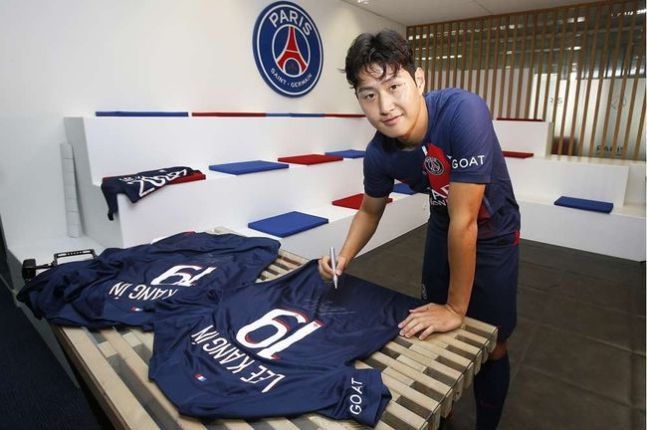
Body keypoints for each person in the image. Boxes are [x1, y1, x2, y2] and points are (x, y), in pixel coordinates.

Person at [318, 29, 520, 430]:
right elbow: (370, 210)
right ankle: (444, 415)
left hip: (493, 230)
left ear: (419, 80)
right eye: (369, 94)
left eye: (394, 86)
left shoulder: (463, 112)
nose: (385, 106)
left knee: (493, 343)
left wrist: (457, 309)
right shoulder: (379, 153)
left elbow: (467, 221)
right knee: (429, 325)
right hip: (444, 222)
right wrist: (344, 257)